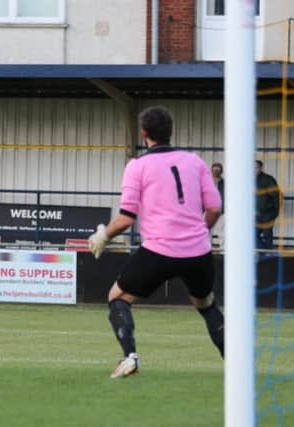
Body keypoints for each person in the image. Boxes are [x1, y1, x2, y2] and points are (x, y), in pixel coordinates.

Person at [88, 107, 224, 379]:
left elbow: (127, 218)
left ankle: (130, 357)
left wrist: (103, 235)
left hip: (159, 250)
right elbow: (215, 208)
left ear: (144, 133)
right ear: (170, 132)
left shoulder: (137, 166)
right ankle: (237, 365)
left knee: (118, 297)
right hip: (198, 251)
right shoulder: (195, 162)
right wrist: (199, 231)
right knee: (207, 305)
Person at [255, 160, 280, 250]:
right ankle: (264, 250)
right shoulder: (247, 179)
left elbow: (276, 195)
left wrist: (275, 211)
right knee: (252, 235)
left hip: (267, 213)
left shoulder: (268, 179)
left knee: (267, 234)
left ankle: (268, 252)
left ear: (261, 168)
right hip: (254, 214)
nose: (254, 169)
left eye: (256, 167)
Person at [211, 162, 225, 247]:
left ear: (221, 171)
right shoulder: (206, 182)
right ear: (211, 171)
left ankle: (223, 253)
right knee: (205, 232)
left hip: (221, 211)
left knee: (222, 233)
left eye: (218, 170)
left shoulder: (225, 183)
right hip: (207, 211)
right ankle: (205, 252)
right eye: (214, 170)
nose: (216, 171)